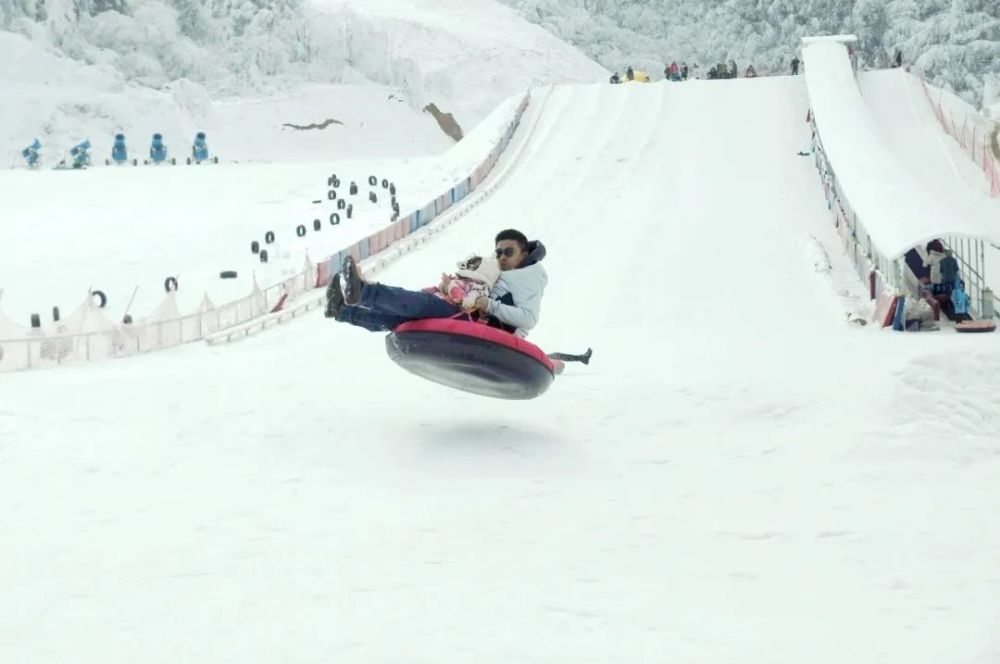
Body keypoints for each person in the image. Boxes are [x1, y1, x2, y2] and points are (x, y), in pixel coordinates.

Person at [327, 229, 547, 337]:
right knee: (396, 319)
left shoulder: (528, 279)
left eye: (509, 252)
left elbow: (528, 320)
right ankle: (342, 310)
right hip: (462, 312)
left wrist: (487, 305)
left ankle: (362, 291)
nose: (501, 257)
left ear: (525, 252)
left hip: (471, 319)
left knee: (418, 303)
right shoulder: (497, 272)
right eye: (498, 252)